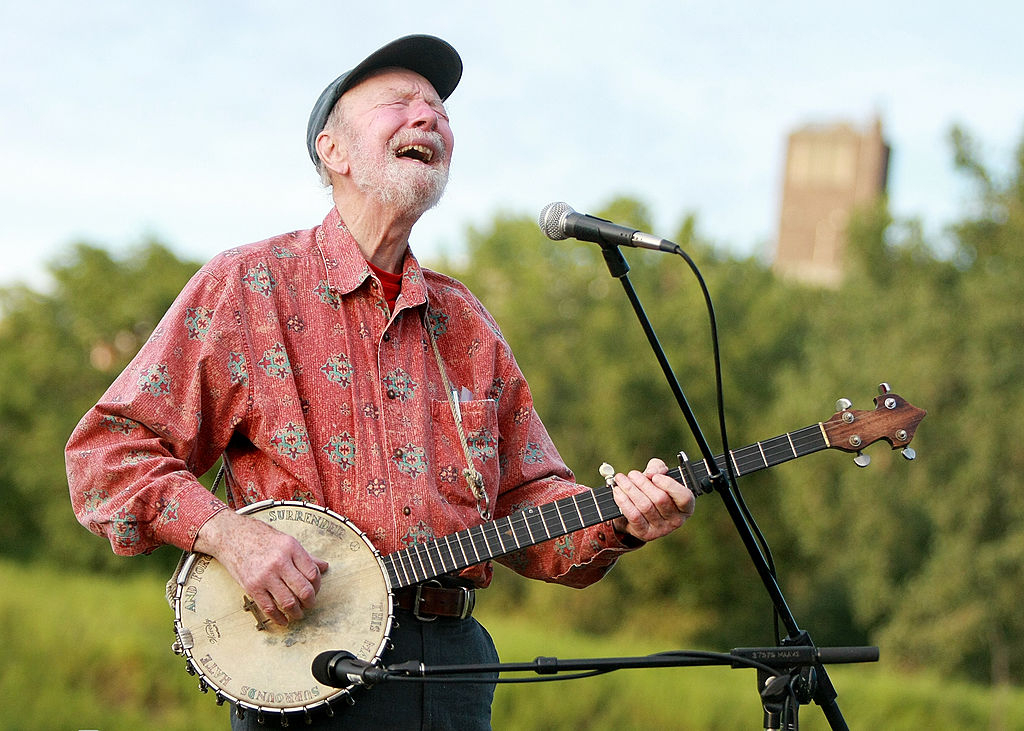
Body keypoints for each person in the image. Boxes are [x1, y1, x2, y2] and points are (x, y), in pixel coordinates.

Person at [66, 34, 695, 729]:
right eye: (400, 102)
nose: (429, 116)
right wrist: (228, 535)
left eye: (439, 110)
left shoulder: (466, 323)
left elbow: (527, 503)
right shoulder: (248, 287)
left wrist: (621, 518)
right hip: (303, 659)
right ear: (332, 151)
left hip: (454, 671)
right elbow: (106, 454)